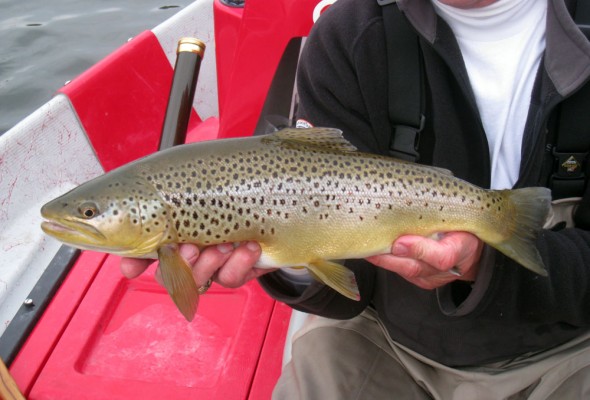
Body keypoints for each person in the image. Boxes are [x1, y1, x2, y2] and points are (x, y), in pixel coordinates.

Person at [121, 0, 590, 398]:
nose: (88, 222)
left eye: (90, 215)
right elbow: (350, 289)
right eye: (91, 214)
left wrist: (484, 265)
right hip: (392, 339)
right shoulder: (349, 35)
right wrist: (292, 259)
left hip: (570, 343)